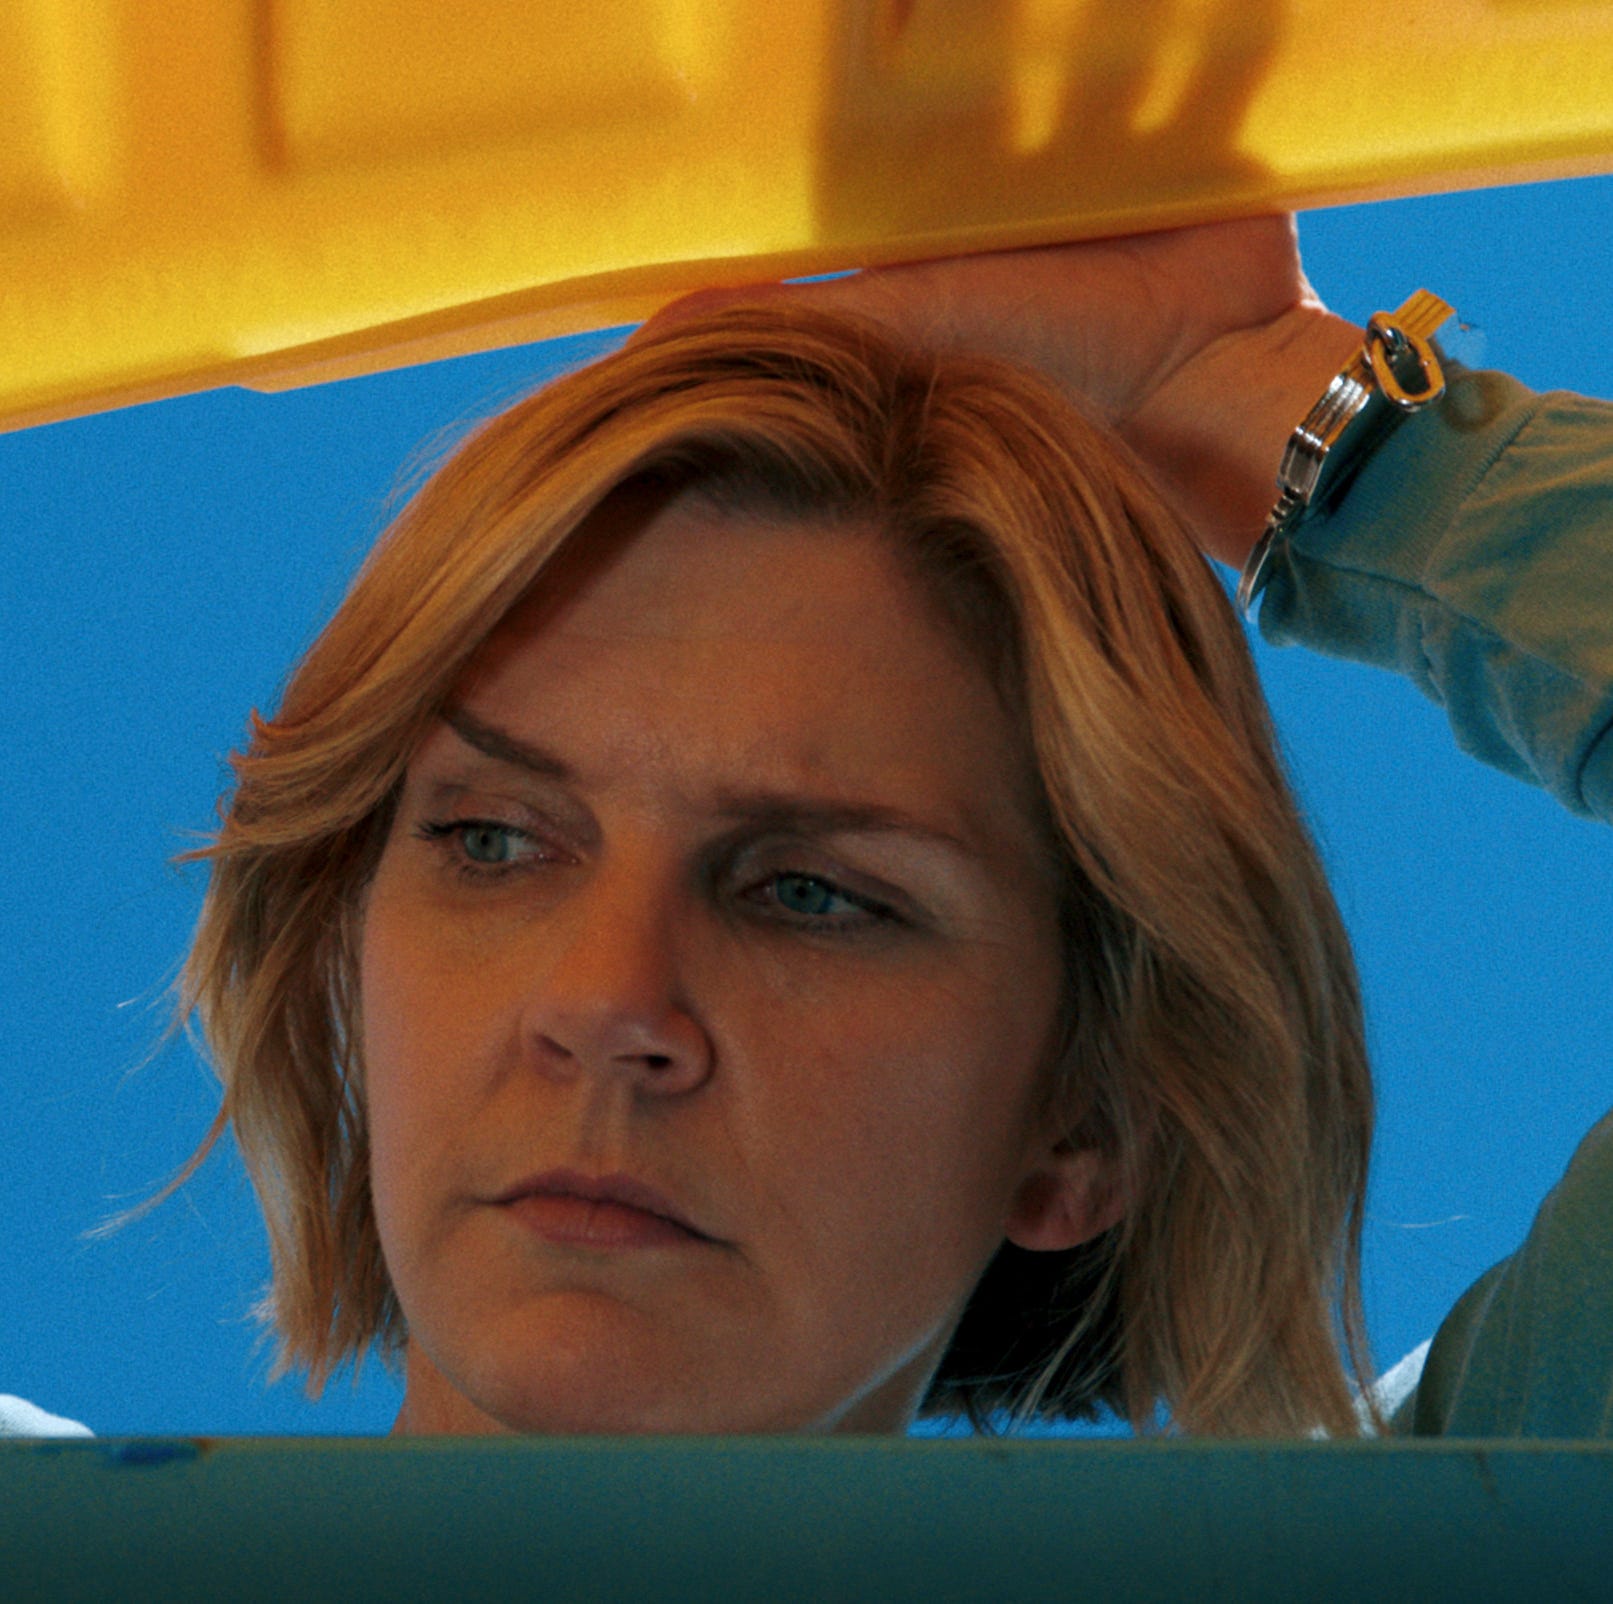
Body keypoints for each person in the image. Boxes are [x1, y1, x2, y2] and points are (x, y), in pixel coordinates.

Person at [16, 214, 1610, 1440]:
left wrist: (1261, 399)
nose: (604, 1008)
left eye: (805, 893)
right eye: (491, 841)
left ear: (1087, 1116)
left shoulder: (1435, 1555)